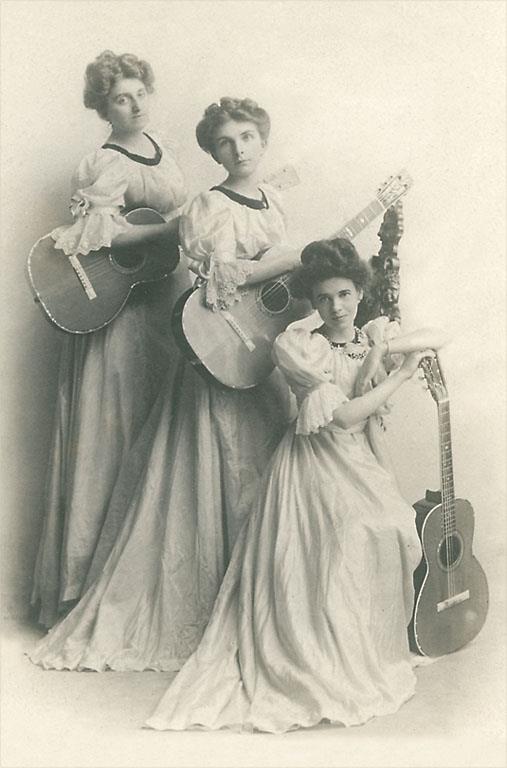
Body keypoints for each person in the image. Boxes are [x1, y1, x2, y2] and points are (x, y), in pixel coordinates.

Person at [29, 97, 300, 671]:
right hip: (218, 346)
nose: (239, 150)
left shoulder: (274, 199)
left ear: (263, 140)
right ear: (213, 153)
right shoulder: (207, 206)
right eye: (225, 142)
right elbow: (225, 280)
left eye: (248, 137)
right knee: (210, 470)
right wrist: (292, 259)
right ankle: (204, 601)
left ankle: (260, 603)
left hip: (255, 348)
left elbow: (270, 276)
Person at [145, 237, 450, 733]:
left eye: (345, 295)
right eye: (324, 299)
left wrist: (382, 349)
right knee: (344, 539)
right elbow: (344, 417)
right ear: (312, 302)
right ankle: (325, 659)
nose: (337, 308)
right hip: (313, 463)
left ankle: (368, 648)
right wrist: (400, 375)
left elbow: (440, 335)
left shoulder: (370, 336)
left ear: (360, 293)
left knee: (393, 528)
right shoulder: (299, 347)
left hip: (358, 460)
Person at [31, 50, 189, 629]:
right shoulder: (103, 162)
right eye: (121, 98)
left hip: (164, 297)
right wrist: (172, 228)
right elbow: (102, 239)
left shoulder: (163, 148)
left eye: (140, 92)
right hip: (121, 309)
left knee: (162, 423)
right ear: (104, 108)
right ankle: (91, 585)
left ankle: (152, 579)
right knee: (114, 428)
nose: (136, 104)